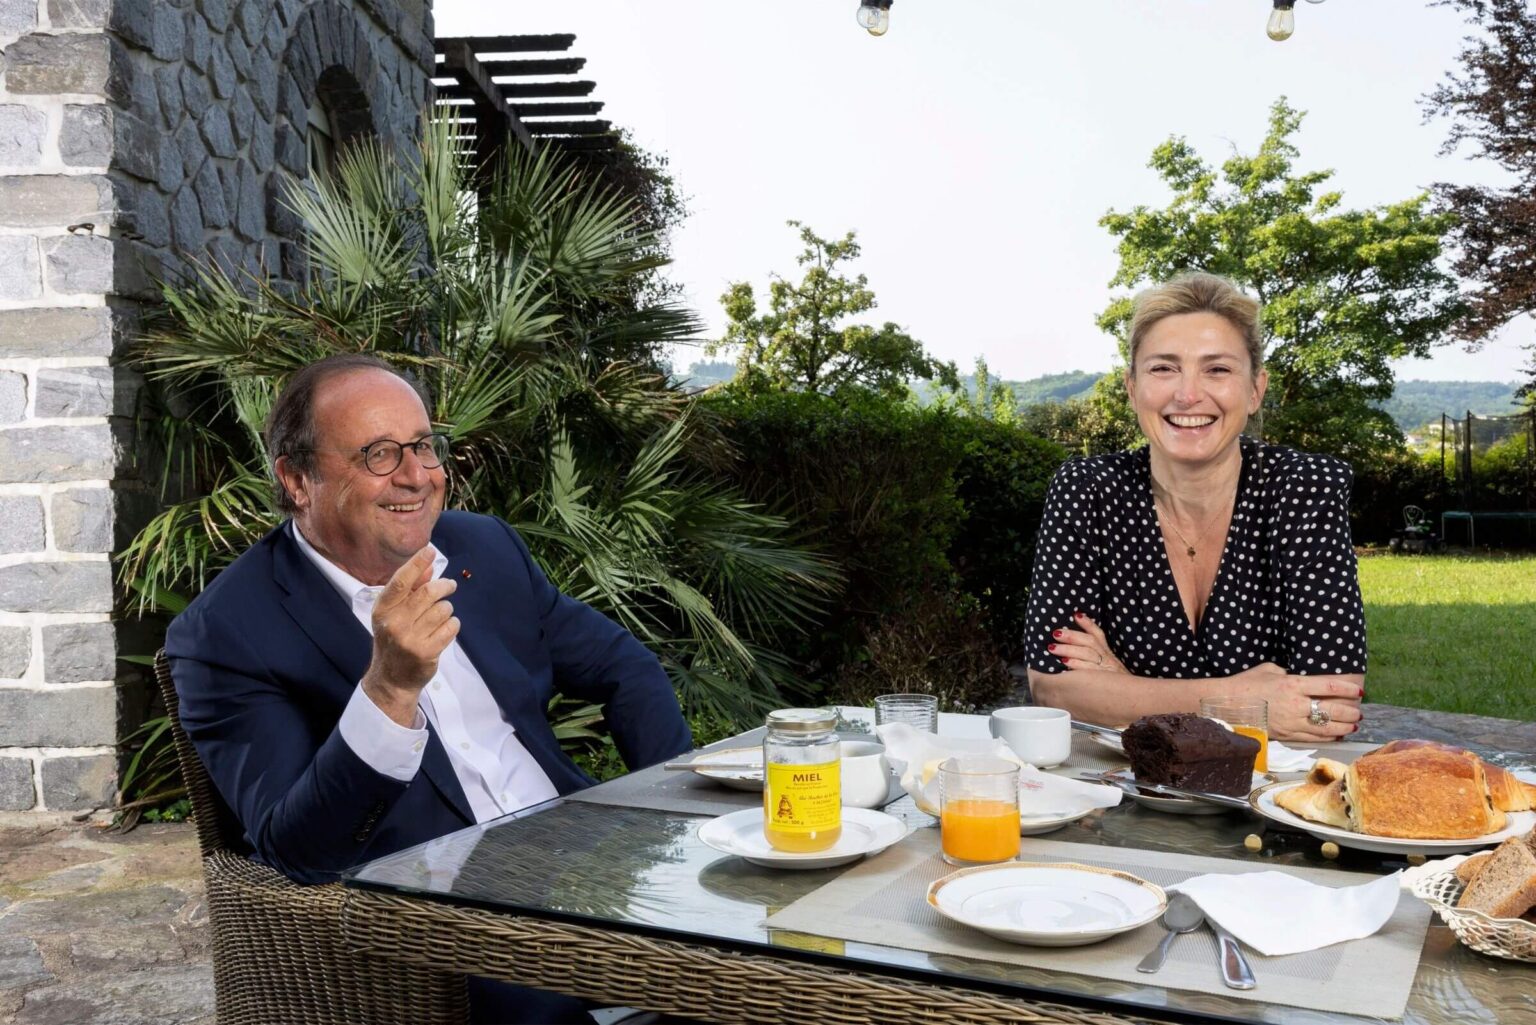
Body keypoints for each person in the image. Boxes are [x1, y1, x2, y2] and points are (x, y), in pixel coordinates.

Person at [166, 353, 692, 1024]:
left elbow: (626, 668)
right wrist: (388, 691)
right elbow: (298, 849)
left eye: (422, 446)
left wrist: (670, 815)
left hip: (587, 863)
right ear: (297, 479)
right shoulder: (227, 632)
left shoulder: (484, 548)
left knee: (778, 953)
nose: (416, 476)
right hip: (443, 935)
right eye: (379, 454)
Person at [1024, 273, 1366, 741]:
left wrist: (1122, 688)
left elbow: (1330, 704)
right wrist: (1240, 700)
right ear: (1132, 388)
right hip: (1119, 779)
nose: (1187, 394)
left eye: (1217, 370)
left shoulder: (1304, 488)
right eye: (1164, 368)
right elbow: (1052, 690)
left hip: (1271, 782)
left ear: (1255, 390)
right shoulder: (1089, 490)